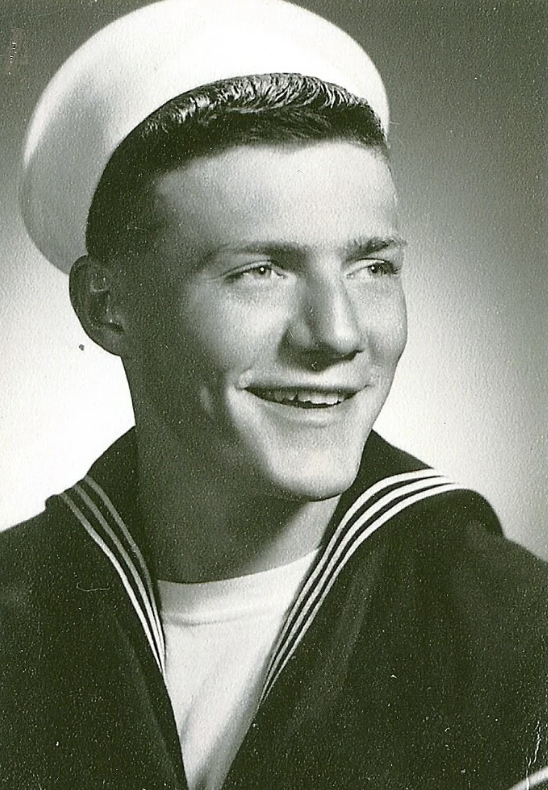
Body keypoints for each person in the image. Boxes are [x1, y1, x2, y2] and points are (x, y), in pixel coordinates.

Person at [1, 0, 547, 788]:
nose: (337, 333)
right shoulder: (18, 611)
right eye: (261, 270)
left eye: (374, 267)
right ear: (106, 307)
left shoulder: (516, 637)